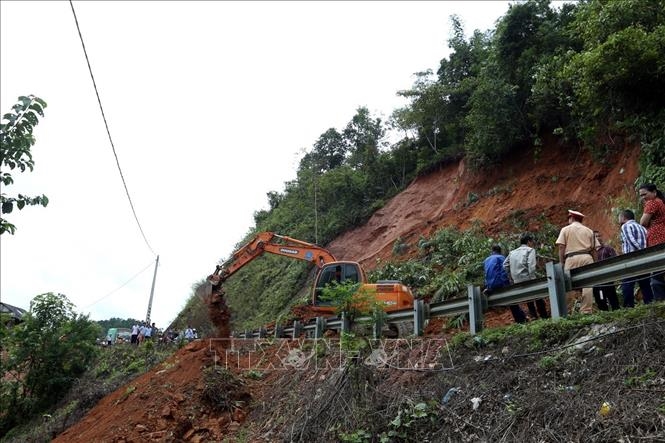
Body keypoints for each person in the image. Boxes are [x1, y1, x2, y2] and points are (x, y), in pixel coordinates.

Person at [556, 209, 596, 314]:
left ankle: (569, 311)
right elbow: (594, 249)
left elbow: (561, 247)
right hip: (587, 257)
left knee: (568, 285)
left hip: (571, 258)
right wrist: (595, 263)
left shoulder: (565, 229)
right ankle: (586, 310)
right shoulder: (589, 230)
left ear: (572, 218)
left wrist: (561, 262)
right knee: (588, 284)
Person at [503, 233, 549, 320]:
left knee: (528, 297)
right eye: (532, 241)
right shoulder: (530, 250)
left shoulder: (512, 252)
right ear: (528, 241)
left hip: (517, 281)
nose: (532, 243)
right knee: (538, 295)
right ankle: (543, 316)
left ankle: (534, 315)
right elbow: (531, 267)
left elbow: (505, 265)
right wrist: (532, 279)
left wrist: (511, 276)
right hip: (528, 279)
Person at [619, 209, 654, 307]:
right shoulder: (642, 227)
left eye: (619, 217)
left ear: (623, 217)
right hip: (643, 259)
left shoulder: (625, 226)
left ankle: (628, 307)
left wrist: (639, 252)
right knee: (645, 284)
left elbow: (631, 241)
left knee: (627, 284)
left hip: (632, 259)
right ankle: (650, 304)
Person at [484, 244, 526, 324]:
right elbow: (503, 272)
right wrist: (507, 283)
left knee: (510, 301)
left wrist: (488, 286)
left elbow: (486, 274)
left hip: (490, 286)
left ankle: (521, 318)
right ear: (500, 251)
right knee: (512, 300)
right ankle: (521, 319)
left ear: (492, 251)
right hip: (500, 284)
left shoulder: (486, 260)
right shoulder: (501, 258)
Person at [638, 184, 665, 300]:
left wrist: (648, 223)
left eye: (645, 194)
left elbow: (643, 222)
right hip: (661, 236)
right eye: (641, 195)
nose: (643, 197)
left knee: (657, 274)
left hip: (657, 238)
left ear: (654, 192)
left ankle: (661, 302)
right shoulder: (660, 201)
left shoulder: (652, 202)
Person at [591, 231, 620, 311]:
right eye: (595, 237)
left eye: (599, 236)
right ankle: (606, 317)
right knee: (601, 302)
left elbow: (615, 261)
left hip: (608, 280)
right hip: (596, 282)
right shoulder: (590, 253)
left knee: (613, 300)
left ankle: (617, 314)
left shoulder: (607, 249)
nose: (597, 238)